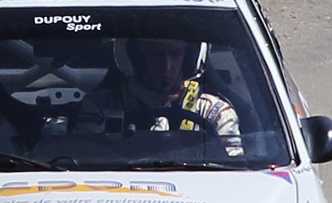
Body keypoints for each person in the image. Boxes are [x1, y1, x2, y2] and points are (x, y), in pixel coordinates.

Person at [76, 38, 243, 155]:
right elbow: (84, 161)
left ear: (189, 57)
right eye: (155, 54)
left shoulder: (213, 112)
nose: (166, 67)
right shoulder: (102, 107)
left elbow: (234, 172)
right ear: (136, 57)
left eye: (175, 54)